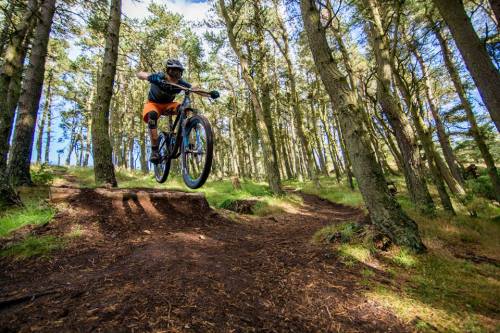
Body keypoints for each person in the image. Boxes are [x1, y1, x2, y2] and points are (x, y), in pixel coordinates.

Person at [136, 59, 218, 163]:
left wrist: (209, 94)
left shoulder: (180, 83)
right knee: (152, 115)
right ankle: (155, 151)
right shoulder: (160, 77)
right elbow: (140, 74)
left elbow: (195, 89)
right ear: (168, 71)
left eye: (179, 72)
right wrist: (151, 77)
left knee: (185, 109)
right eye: (173, 71)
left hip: (168, 106)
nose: (176, 75)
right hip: (153, 104)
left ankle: (187, 140)